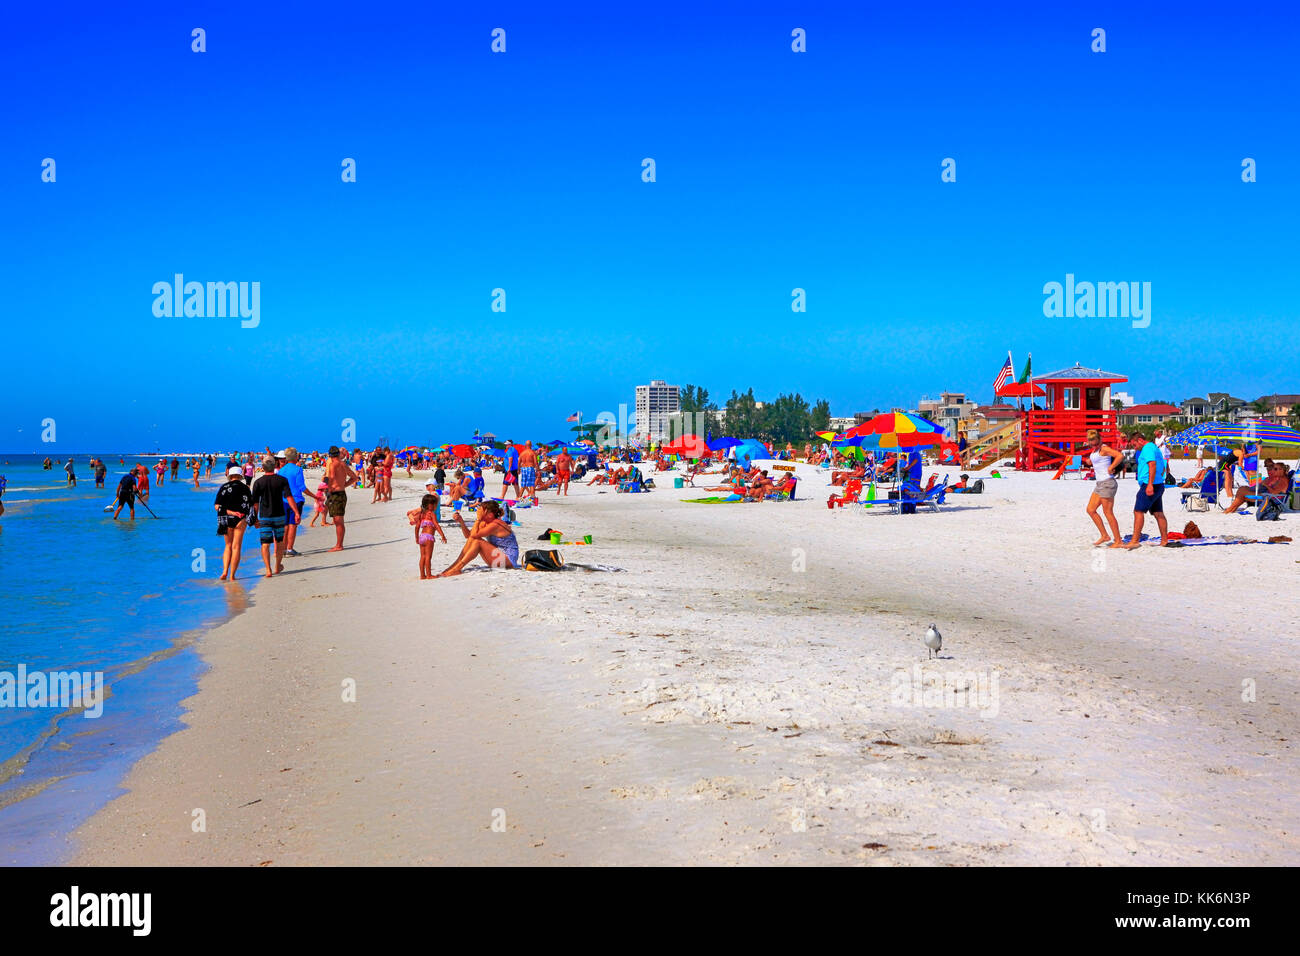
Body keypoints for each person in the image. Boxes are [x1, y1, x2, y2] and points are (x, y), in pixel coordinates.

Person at [435, 501, 518, 576]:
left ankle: (457, 568)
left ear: (489, 514)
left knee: (478, 542)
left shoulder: (495, 525)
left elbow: (475, 535)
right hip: (497, 558)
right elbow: (469, 536)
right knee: (473, 540)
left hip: (508, 560)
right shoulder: (486, 522)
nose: (478, 512)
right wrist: (461, 521)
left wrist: (478, 519)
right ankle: (454, 566)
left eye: (481, 511)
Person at [249, 457, 299, 577]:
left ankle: (268, 569)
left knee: (265, 543)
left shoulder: (258, 482)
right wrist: (296, 512)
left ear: (264, 468)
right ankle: (277, 566)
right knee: (280, 541)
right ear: (274, 465)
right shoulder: (282, 480)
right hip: (280, 515)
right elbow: (289, 497)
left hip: (265, 516)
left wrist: (255, 518)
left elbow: (255, 503)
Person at [1126, 432, 1169, 549]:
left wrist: (1150, 484)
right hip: (1158, 484)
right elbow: (1163, 467)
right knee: (1158, 513)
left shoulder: (1147, 448)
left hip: (1150, 484)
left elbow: (1152, 465)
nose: (1135, 448)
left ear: (1140, 440)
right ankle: (1164, 540)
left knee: (1138, 511)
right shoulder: (1154, 447)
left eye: (1135, 445)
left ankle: (1135, 540)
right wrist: (1157, 478)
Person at [1082, 429, 1124, 547]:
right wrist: (1090, 461)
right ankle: (1105, 535)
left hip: (1107, 483)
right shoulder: (1096, 449)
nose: (1093, 444)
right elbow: (1098, 461)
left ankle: (1118, 541)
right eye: (1091, 442)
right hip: (1099, 484)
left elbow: (1120, 456)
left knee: (1108, 512)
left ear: (1099, 439)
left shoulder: (1104, 448)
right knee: (1090, 510)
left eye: (1095, 442)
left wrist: (1111, 467)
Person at [215, 466, 254, 580]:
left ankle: (225, 571)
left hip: (226, 518)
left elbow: (217, 506)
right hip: (241, 519)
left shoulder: (224, 487)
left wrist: (231, 512)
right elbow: (250, 506)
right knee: (236, 547)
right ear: (240, 476)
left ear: (230, 476)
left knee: (228, 546)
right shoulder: (246, 488)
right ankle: (232, 575)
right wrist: (254, 520)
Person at [324, 445, 357, 551]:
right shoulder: (343, 464)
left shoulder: (333, 464)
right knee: (338, 520)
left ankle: (339, 545)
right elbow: (354, 477)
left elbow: (331, 478)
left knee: (338, 521)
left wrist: (325, 488)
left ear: (330, 455)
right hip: (342, 493)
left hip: (336, 494)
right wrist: (344, 485)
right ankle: (339, 544)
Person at [408, 493, 448, 579]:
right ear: (430, 505)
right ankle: (429, 575)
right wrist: (443, 536)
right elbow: (437, 526)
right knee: (428, 557)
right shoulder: (432, 514)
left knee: (422, 556)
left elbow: (417, 527)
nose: (436, 506)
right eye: (435, 505)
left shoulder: (421, 514)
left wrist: (417, 537)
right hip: (429, 537)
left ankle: (422, 575)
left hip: (422, 536)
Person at [277, 448, 308, 557]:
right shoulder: (298, 469)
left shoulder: (281, 470)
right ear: (295, 457)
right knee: (293, 525)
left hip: (283, 500)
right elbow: (302, 487)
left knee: (285, 525)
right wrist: (315, 496)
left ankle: (283, 549)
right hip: (296, 501)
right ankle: (289, 549)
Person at [518, 440, 538, 505]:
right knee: (531, 484)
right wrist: (538, 470)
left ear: (525, 445)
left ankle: (519, 498)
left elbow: (519, 462)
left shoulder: (522, 453)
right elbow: (536, 462)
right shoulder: (532, 452)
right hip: (530, 468)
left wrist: (518, 469)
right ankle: (532, 499)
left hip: (523, 468)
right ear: (531, 445)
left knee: (523, 485)